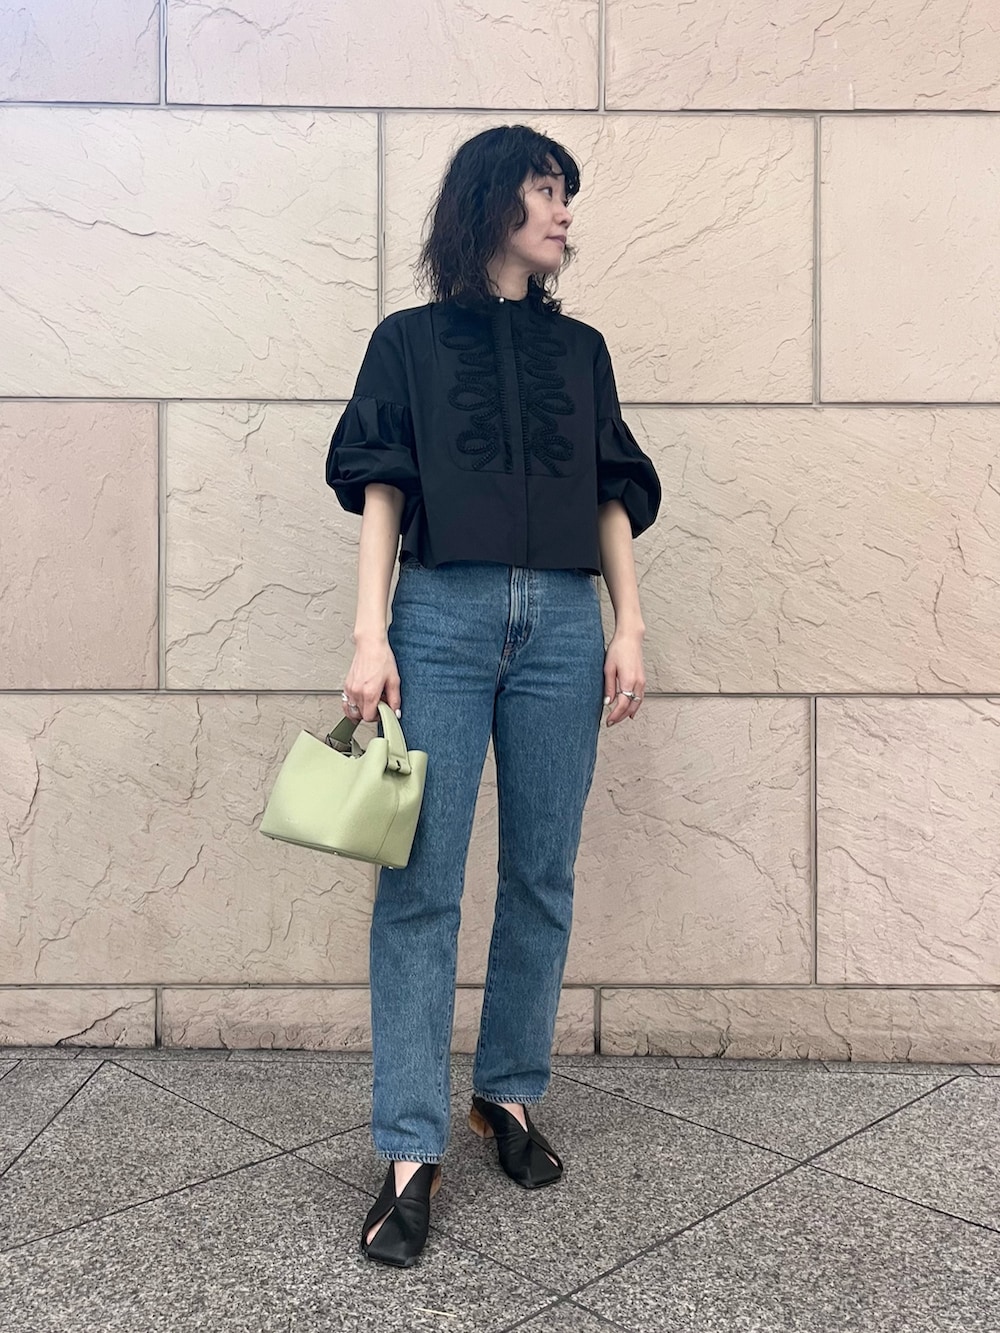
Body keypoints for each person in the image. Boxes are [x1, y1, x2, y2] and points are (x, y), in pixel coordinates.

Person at [325, 124, 661, 1269]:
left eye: (566, 194)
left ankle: (506, 1092)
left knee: (541, 871)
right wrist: (371, 633)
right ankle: (408, 1146)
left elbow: (611, 489)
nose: (564, 212)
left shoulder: (582, 352)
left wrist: (628, 625)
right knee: (420, 882)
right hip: (442, 616)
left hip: (564, 621)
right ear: (489, 203)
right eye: (545, 190)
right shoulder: (408, 342)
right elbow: (382, 484)